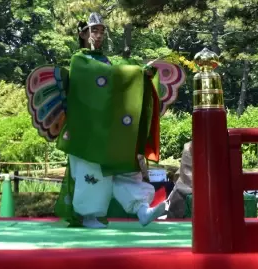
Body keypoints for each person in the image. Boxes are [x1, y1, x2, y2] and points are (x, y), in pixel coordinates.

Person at [26, 12, 172, 229]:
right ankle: (89, 215)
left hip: (108, 129)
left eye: (102, 30)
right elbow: (101, 79)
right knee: (93, 172)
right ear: (83, 34)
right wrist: (132, 72)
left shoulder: (105, 62)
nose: (99, 35)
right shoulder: (80, 61)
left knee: (123, 167)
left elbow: (113, 78)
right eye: (94, 30)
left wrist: (140, 75)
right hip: (88, 131)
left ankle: (142, 209)